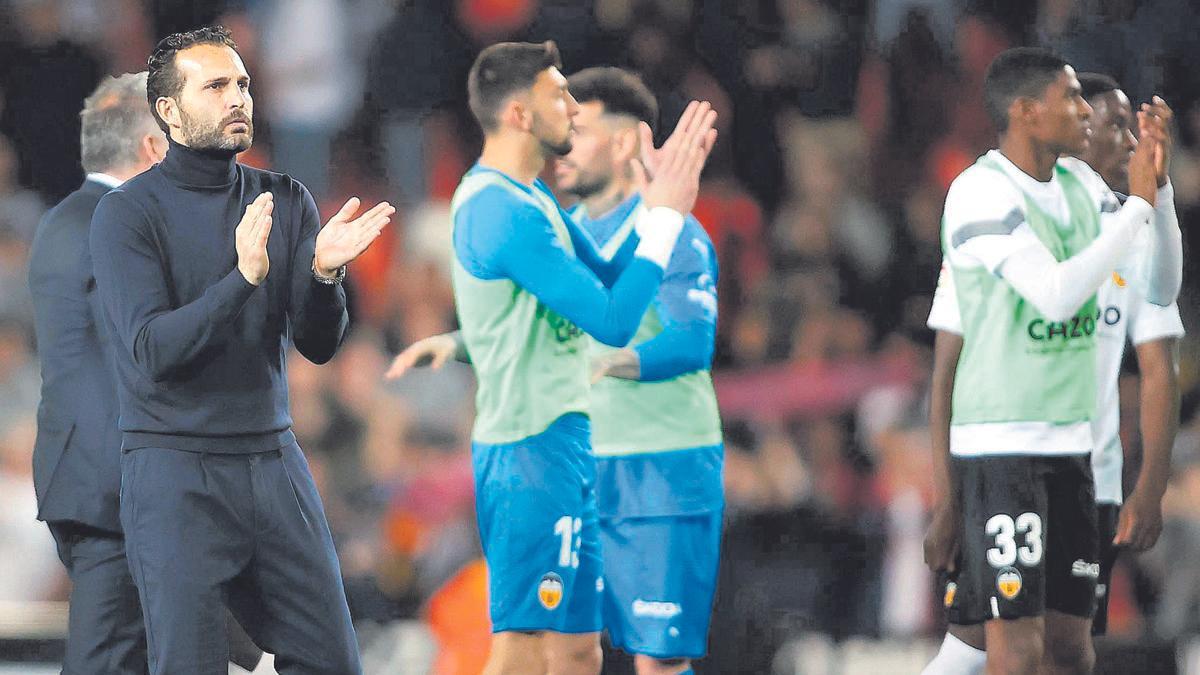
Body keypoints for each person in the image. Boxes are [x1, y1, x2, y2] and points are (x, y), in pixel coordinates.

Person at [386, 41, 716, 674]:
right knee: (521, 649)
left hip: (563, 444)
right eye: (557, 94)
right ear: (517, 114)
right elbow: (614, 322)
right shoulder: (499, 210)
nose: (571, 106)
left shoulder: (533, 200)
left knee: (576, 650)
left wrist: (658, 206)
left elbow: (612, 275)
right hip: (527, 450)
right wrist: (667, 220)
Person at [88, 26, 393, 674]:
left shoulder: (284, 198)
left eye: (244, 84)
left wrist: (325, 276)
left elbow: (317, 343)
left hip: (273, 461)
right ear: (168, 112)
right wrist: (243, 278)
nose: (238, 98)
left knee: (333, 662)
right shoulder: (127, 215)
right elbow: (151, 350)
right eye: (216, 86)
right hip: (174, 471)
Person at [920, 47, 1178, 675]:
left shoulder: (1081, 186)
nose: (1085, 110)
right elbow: (1057, 296)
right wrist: (1138, 208)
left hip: (1073, 450)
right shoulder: (979, 191)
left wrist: (1159, 191)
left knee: (1069, 646)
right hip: (1001, 446)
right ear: (1027, 113)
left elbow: (1160, 285)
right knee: (1009, 644)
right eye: (1072, 98)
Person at [28, 72, 163, 675]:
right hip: (117, 484)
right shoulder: (114, 225)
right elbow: (146, 353)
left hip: (85, 473)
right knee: (106, 660)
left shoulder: (66, 219)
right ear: (153, 148)